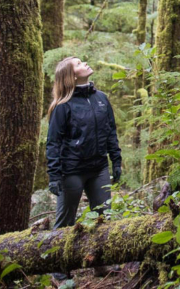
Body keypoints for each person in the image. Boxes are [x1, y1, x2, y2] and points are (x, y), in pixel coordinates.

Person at [46, 56, 123, 229]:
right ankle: (58, 255)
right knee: (65, 224)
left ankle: (99, 255)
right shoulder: (62, 106)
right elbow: (53, 142)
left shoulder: (101, 98)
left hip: (99, 169)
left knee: (105, 220)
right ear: (71, 76)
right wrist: (54, 176)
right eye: (79, 64)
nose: (86, 63)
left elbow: (110, 132)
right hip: (72, 172)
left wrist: (116, 161)